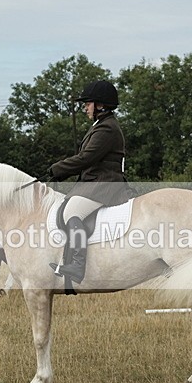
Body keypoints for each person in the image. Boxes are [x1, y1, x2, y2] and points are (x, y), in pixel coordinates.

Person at [47, 80, 130, 283]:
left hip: (105, 184)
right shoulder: (101, 125)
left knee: (71, 212)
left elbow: (86, 158)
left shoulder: (107, 128)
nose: (85, 107)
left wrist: (57, 169)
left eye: (88, 103)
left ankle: (76, 265)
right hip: (96, 181)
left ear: (100, 105)